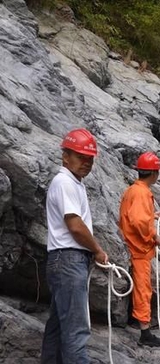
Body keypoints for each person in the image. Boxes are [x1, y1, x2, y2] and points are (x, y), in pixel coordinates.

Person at [41, 128, 109, 364]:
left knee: (59, 325)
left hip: (63, 260)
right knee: (76, 330)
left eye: (89, 159)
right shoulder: (65, 182)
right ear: (65, 156)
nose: (87, 163)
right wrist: (97, 250)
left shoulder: (71, 182)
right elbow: (76, 226)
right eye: (81, 157)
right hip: (69, 260)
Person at [119, 151, 160, 347]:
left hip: (133, 247)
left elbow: (135, 215)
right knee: (143, 290)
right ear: (154, 173)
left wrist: (152, 216)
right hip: (139, 250)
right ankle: (144, 333)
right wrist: (153, 236)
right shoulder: (142, 192)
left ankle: (135, 319)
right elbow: (137, 220)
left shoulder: (133, 190)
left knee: (141, 289)